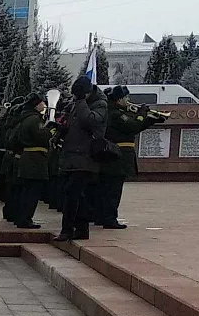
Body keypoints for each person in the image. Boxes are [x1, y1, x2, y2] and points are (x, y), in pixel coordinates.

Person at [95, 82, 160, 228]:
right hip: (118, 157)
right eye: (126, 97)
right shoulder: (115, 114)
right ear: (119, 99)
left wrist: (149, 121)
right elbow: (132, 126)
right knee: (113, 189)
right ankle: (109, 219)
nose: (128, 100)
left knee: (107, 188)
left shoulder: (115, 112)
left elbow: (132, 128)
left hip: (115, 156)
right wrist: (142, 113)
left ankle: (102, 217)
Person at [54, 81, 106, 243]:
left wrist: (81, 100)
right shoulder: (77, 104)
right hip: (72, 155)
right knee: (76, 194)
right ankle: (82, 228)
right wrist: (58, 133)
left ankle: (67, 229)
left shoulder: (100, 104)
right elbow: (71, 125)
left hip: (86, 156)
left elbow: (89, 121)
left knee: (72, 192)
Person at [4, 93, 51, 229]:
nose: (43, 105)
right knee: (32, 192)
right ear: (36, 105)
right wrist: (50, 130)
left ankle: (21, 217)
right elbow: (41, 136)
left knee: (25, 191)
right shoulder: (34, 119)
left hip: (26, 157)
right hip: (35, 159)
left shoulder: (24, 118)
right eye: (42, 103)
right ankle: (25, 219)